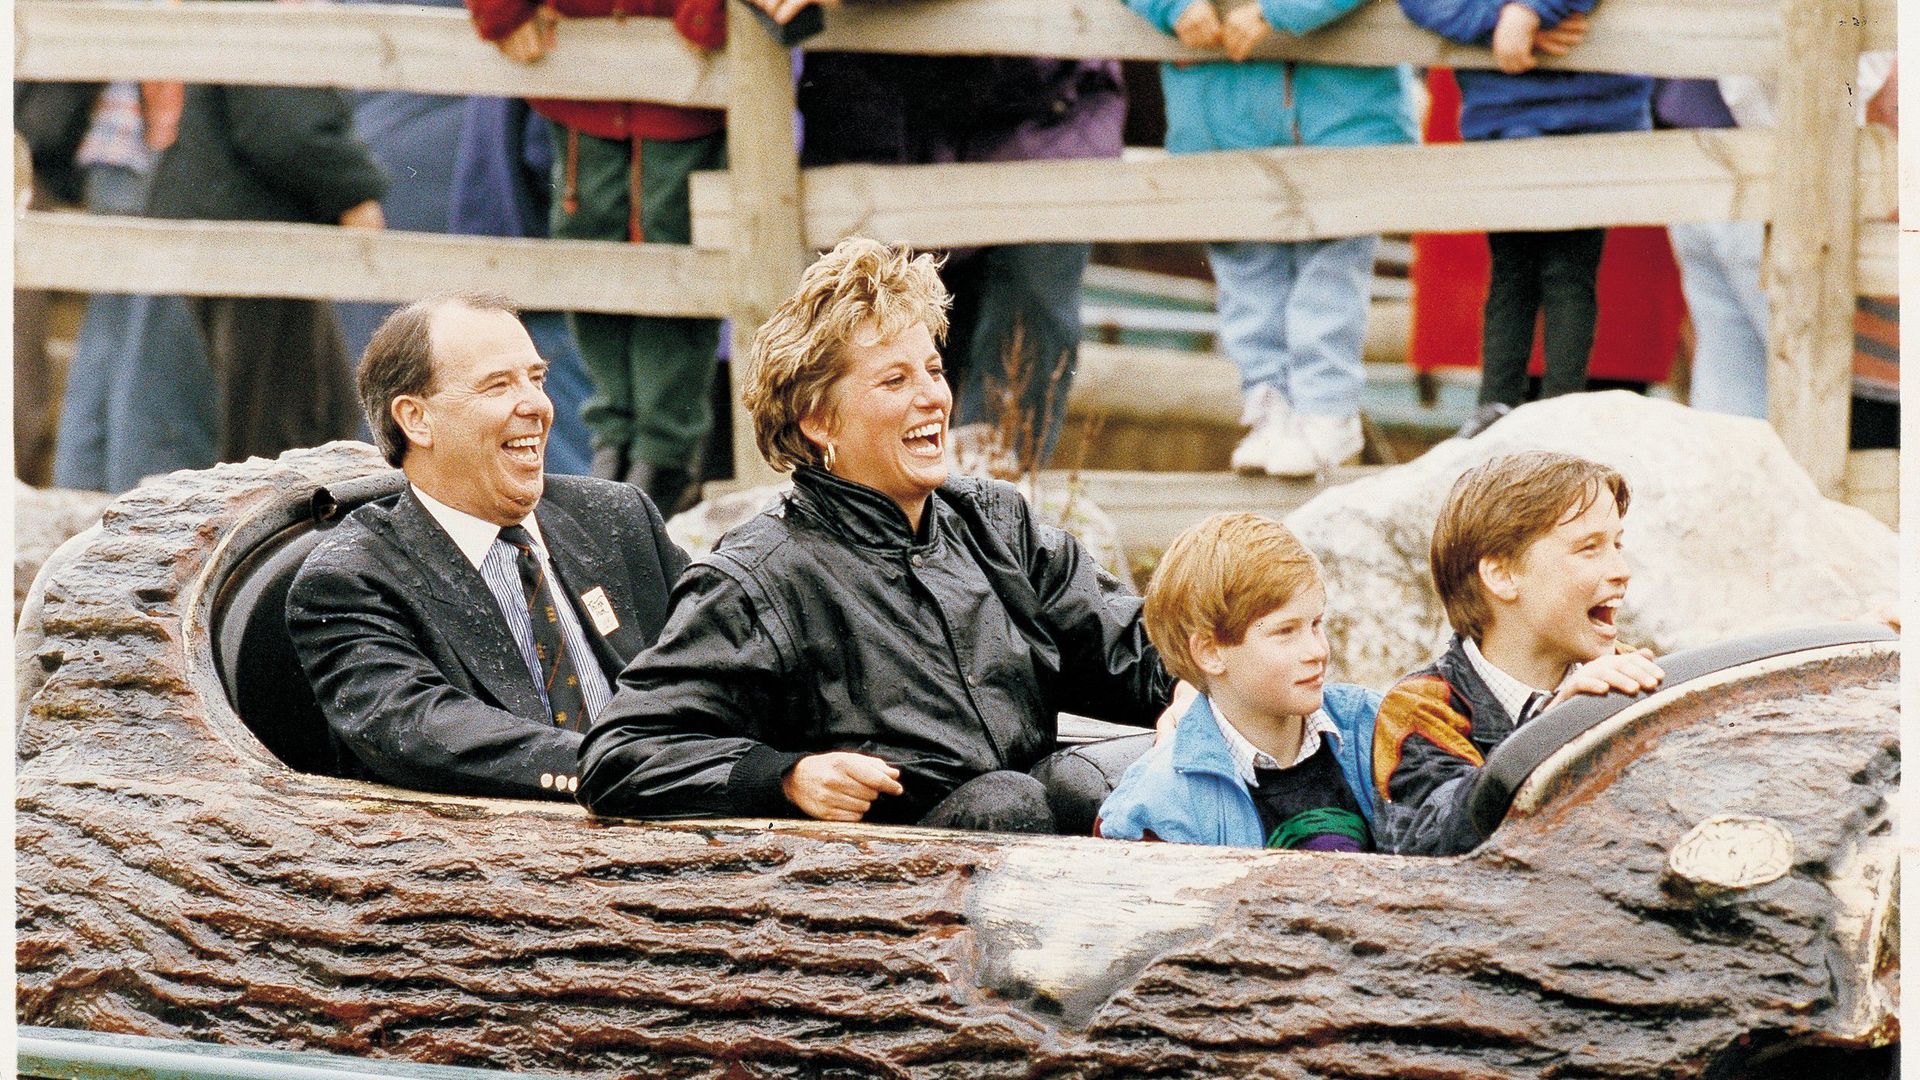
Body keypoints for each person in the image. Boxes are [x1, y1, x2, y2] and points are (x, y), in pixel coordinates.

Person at [578, 238, 1173, 833]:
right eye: (894, 381)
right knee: (1007, 801)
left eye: (934, 371)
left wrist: (1208, 685)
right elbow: (619, 753)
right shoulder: (757, 580)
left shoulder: (997, 525)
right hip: (881, 882)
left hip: (1036, 848)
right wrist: (785, 777)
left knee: (1141, 765)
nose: (932, 398)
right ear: (818, 420)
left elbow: (1139, 652)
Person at [287, 293, 688, 800]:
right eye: (498, 385)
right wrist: (643, 770)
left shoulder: (617, 517)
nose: (536, 406)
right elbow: (428, 732)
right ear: (416, 419)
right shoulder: (352, 578)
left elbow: (725, 658)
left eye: (537, 379)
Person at [747, 0, 1125, 468]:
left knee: (1023, 327)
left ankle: (992, 510)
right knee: (878, 338)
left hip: (1037, 103)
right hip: (879, 114)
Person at [1126, 0, 1416, 477]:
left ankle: (1326, 410)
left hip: (1337, 111)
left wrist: (1276, 9)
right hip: (1222, 112)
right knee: (1246, 279)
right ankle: (1270, 406)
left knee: (1329, 273)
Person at [465, 0, 727, 510]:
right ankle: (616, 444)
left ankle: (663, 454)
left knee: (671, 252)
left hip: (684, 78)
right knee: (589, 245)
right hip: (581, 73)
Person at [1371, 451, 1664, 856]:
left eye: (1617, 544)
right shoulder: (1421, 707)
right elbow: (1429, 844)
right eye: (1589, 549)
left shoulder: (1635, 682)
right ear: (1502, 576)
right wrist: (1554, 729)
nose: (1621, 569)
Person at [1397, 0, 1650, 427]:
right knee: (1512, 271)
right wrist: (1500, 20)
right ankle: (1496, 406)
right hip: (1504, 117)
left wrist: (1532, 11)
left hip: (1590, 117)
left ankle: (1561, 413)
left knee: (1569, 272)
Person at [1097, 513, 1382, 849]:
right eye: (1285, 632)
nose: (1317, 650)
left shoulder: (1376, 731)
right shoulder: (1157, 805)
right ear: (1211, 652)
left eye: (1316, 623)